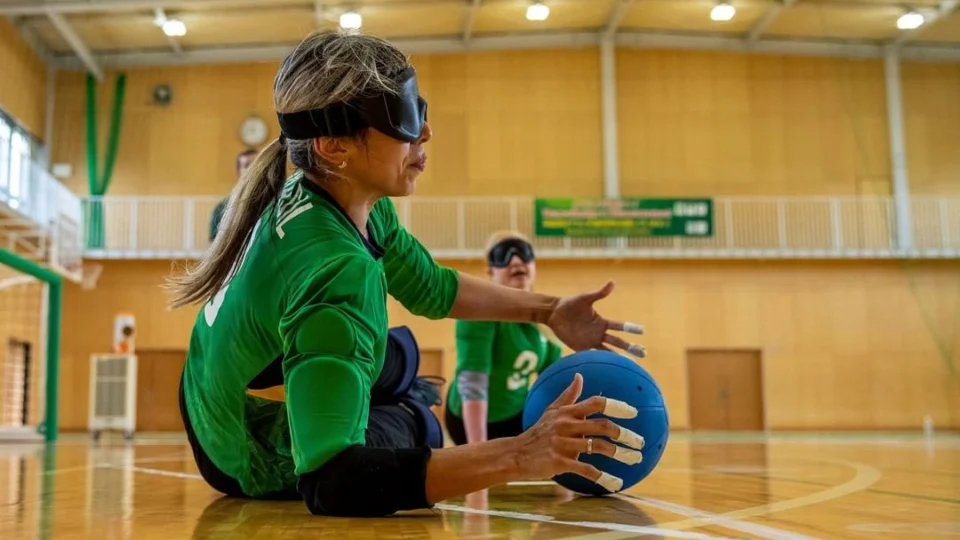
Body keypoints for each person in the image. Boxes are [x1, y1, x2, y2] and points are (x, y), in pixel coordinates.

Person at [165, 30, 647, 518]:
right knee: (420, 422)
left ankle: (393, 380)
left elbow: (432, 288)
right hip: (246, 452)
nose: (426, 132)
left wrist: (549, 310)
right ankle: (406, 400)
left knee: (398, 353)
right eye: (405, 118)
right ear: (335, 147)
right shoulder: (338, 271)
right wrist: (522, 453)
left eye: (421, 108)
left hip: (208, 397)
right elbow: (334, 481)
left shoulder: (327, 197)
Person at [445, 231, 566, 445]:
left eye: (524, 252)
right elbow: (473, 382)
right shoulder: (479, 312)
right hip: (469, 418)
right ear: (491, 271)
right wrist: (477, 450)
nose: (516, 260)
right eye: (503, 255)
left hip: (514, 414)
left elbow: (554, 382)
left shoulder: (545, 321)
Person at [209, 148, 258, 242]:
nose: (253, 168)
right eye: (247, 165)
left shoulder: (274, 202)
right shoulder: (222, 207)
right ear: (238, 171)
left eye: (256, 163)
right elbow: (214, 243)